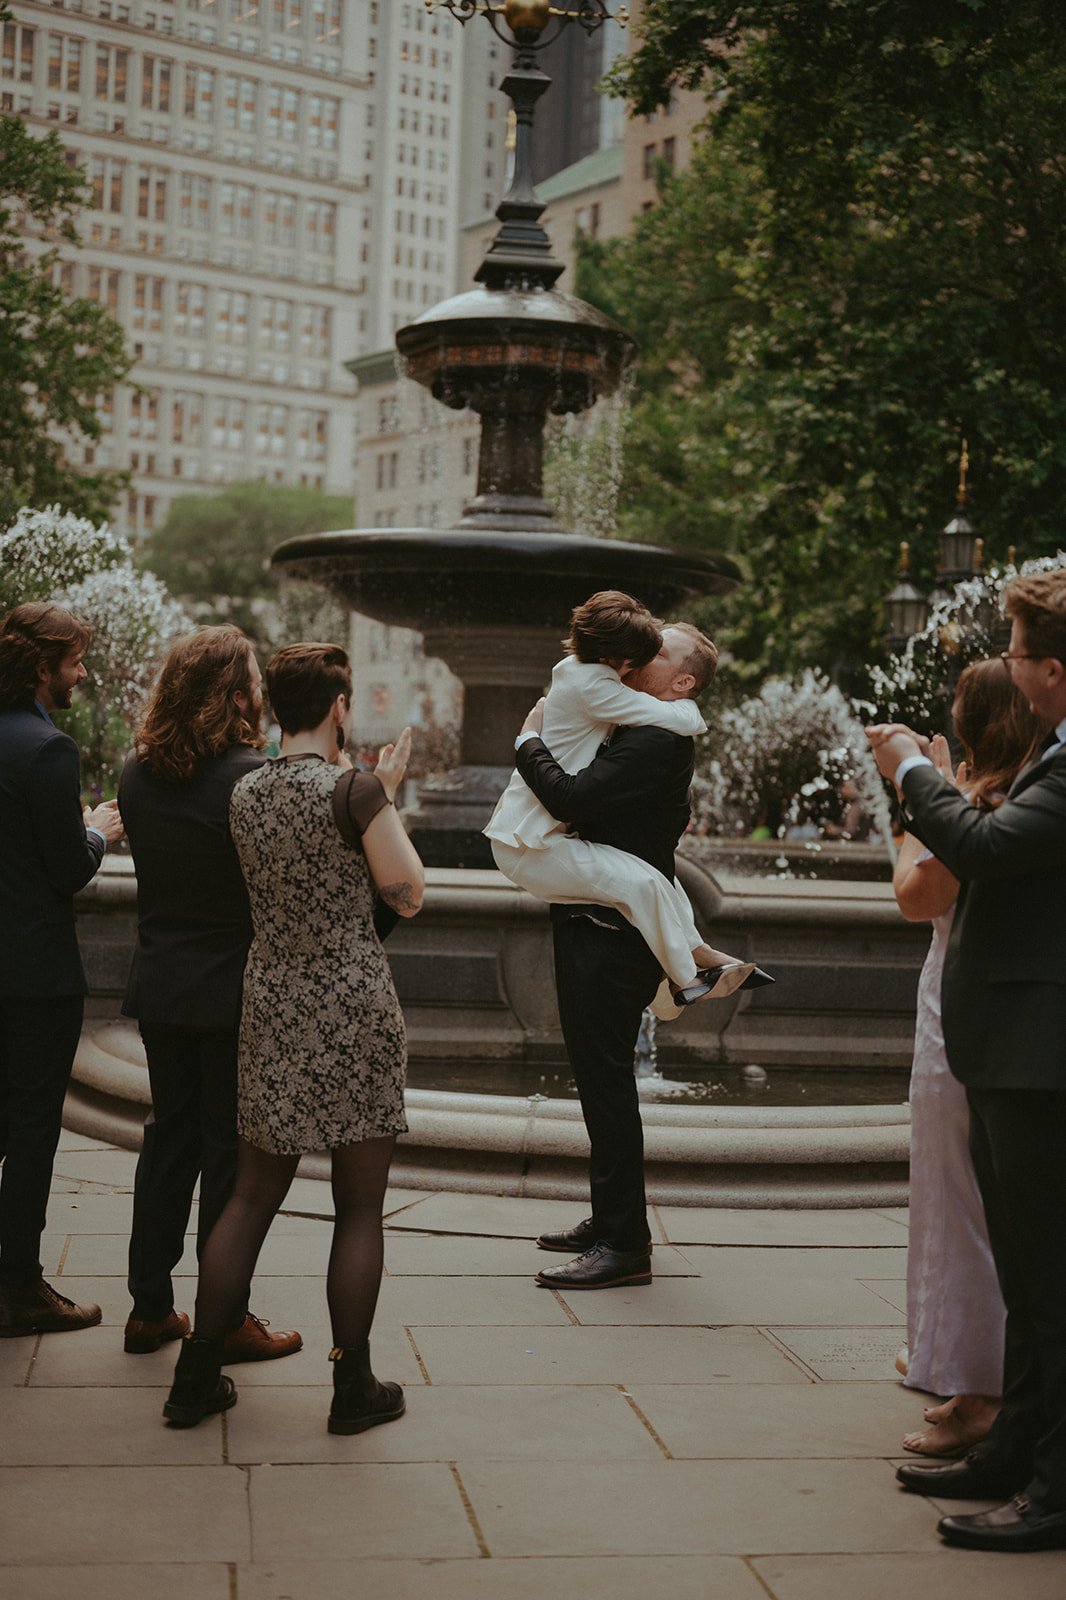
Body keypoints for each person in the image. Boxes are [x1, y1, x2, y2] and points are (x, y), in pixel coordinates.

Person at [163, 642, 424, 1434]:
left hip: (271, 997)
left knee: (249, 1194)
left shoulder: (245, 791)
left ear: (275, 706)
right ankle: (353, 1389)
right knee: (358, 1206)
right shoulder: (356, 790)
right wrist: (388, 795)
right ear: (339, 707)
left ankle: (195, 1376)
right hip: (350, 1000)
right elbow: (406, 892)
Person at [867, 567, 1066, 1553]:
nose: (1013, 663)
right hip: (1016, 1048)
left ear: (1054, 672)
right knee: (1031, 1277)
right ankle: (1015, 1446)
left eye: (1023, 650)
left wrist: (910, 769)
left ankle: (1052, 1486)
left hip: (1040, 1055)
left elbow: (978, 851)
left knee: (1044, 1278)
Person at [514, 622, 730, 1290]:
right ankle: (610, 1218)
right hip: (599, 921)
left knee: (605, 1080)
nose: (641, 656)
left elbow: (572, 797)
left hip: (612, 933)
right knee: (599, 1077)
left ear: (684, 680)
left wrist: (526, 741)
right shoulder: (639, 723)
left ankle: (626, 1245)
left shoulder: (659, 738)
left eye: (658, 652)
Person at [119, 625, 302, 1363]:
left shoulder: (136, 774)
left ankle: (149, 1309)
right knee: (228, 1152)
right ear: (235, 696)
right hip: (234, 991)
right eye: (252, 680)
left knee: (169, 1140)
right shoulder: (252, 779)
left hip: (162, 984)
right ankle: (225, 1318)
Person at [892, 659, 1042, 1459]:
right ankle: (957, 1357)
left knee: (961, 1202)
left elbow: (917, 896)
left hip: (965, 1015)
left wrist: (919, 803)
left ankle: (978, 1390)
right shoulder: (1014, 792)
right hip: (974, 1007)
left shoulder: (985, 804)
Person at [486, 592, 754, 1006]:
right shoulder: (595, 685)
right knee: (644, 884)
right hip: (528, 843)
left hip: (544, 838)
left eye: (659, 653)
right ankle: (688, 977)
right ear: (620, 657)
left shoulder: (582, 673)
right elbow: (678, 717)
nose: (647, 660)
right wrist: (527, 742)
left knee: (657, 882)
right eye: (646, 652)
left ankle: (697, 957)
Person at [0, 602, 124, 1336]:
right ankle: (20, 1286)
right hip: (34, 975)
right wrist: (96, 831)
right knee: (32, 1127)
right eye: (74, 661)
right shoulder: (48, 751)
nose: (81, 673)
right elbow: (67, 869)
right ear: (44, 668)